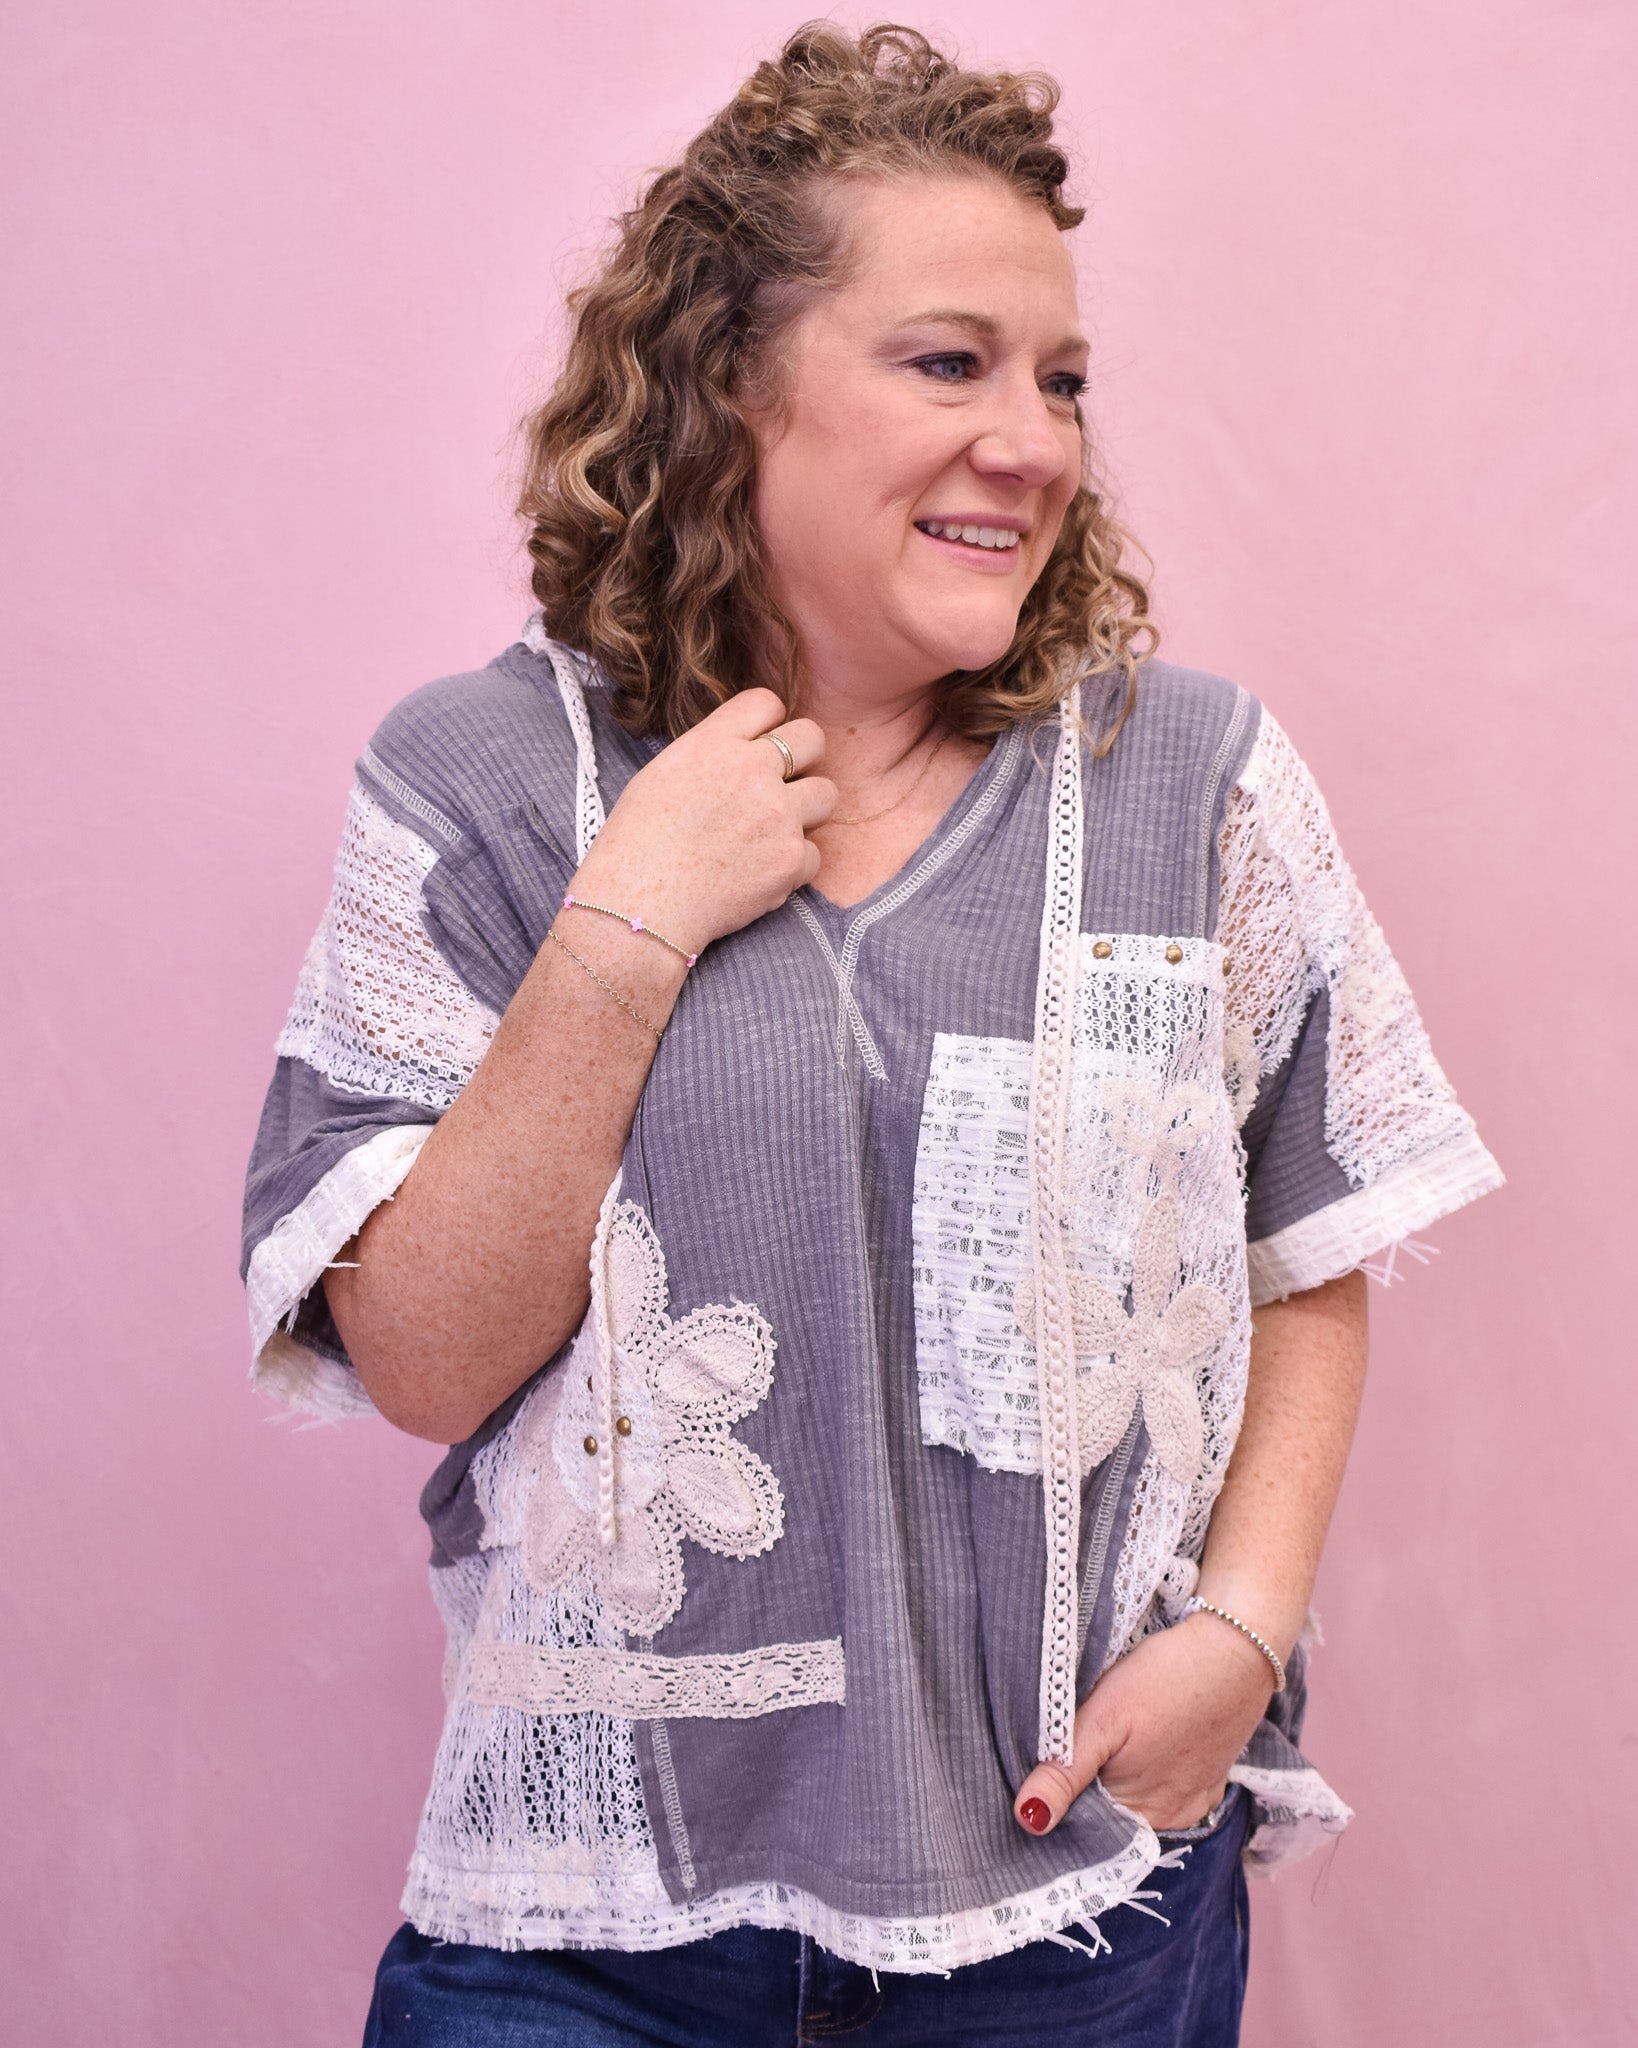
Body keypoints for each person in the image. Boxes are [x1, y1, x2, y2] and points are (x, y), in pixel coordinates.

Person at [241, 24, 1501, 2045]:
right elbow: (422, 1358)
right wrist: (631, 921)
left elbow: (1304, 1259)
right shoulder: (478, 782)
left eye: (1060, 378)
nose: (1034, 438)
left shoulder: (1193, 782)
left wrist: (1243, 1637)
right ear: (732, 384)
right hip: (590, 1932)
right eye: (950, 361)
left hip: (1081, 1902)